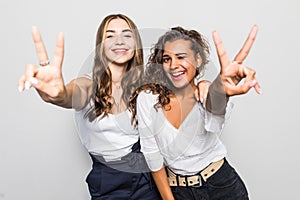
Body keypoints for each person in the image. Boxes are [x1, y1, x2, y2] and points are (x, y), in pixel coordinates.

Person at [17, 14, 210, 199]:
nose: (119, 40)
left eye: (127, 35)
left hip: (148, 180)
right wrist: (58, 95)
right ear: (100, 47)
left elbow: (181, 89)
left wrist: (204, 85)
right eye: (110, 36)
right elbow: (70, 95)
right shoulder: (88, 86)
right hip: (107, 182)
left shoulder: (148, 89)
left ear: (136, 45)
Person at [129, 25, 262, 199]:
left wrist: (220, 88)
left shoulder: (206, 93)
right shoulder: (147, 98)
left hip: (222, 185)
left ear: (198, 60)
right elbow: (152, 154)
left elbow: (214, 119)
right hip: (179, 191)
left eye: (181, 57)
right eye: (167, 59)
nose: (173, 65)